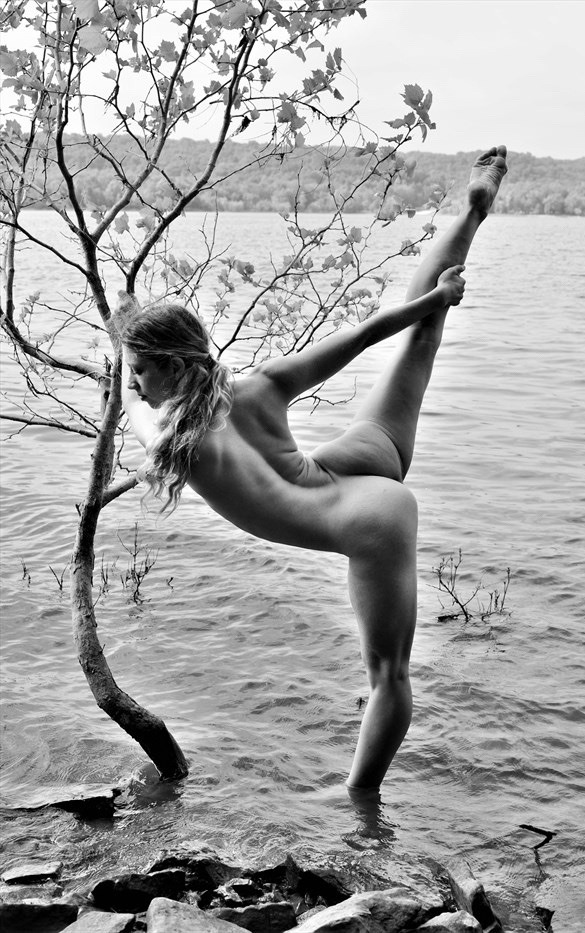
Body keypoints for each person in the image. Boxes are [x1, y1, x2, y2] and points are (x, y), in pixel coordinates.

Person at [119, 146, 508, 790]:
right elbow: (364, 333)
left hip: (368, 521)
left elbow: (131, 403)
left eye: (141, 370)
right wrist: (435, 297)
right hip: (351, 465)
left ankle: (359, 804)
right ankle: (471, 215)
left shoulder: (171, 441)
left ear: (174, 367)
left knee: (389, 677)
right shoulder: (258, 386)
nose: (134, 382)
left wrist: (123, 362)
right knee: (421, 335)